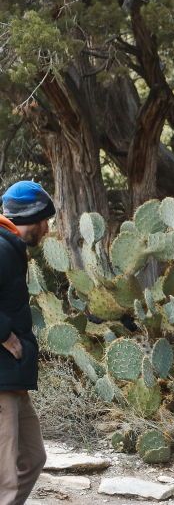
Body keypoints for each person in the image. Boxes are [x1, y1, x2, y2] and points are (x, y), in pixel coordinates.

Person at [0, 181, 54, 505]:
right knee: (4, 480)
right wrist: (5, 335)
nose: (47, 228)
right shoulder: (1, 248)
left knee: (33, 458)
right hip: (1, 381)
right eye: (45, 219)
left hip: (12, 379)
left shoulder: (10, 248)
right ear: (31, 217)